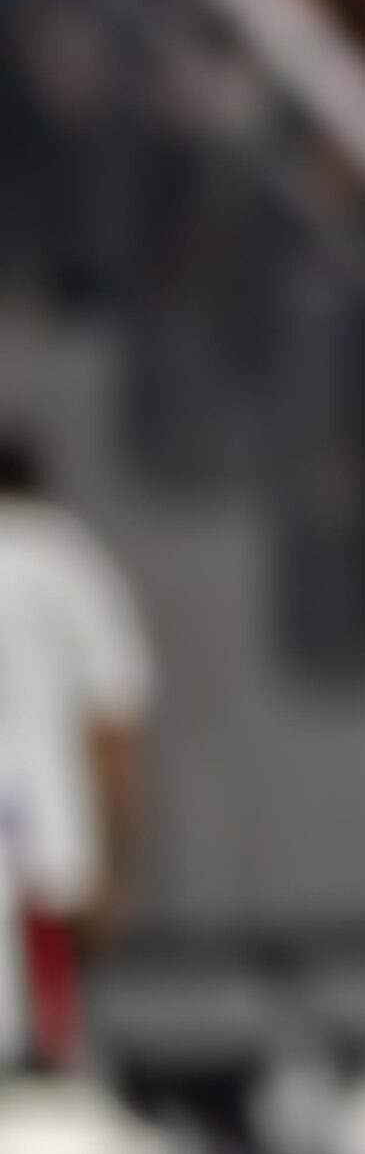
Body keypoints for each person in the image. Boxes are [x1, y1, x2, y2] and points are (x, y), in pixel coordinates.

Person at [0, 432, 152, 1070]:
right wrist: (116, 869)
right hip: (41, 862)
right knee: (45, 1074)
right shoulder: (67, 562)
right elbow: (113, 723)